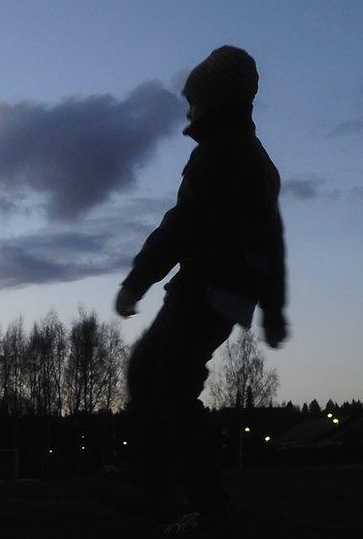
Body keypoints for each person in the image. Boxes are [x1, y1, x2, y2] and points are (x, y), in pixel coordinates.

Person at [115, 45, 288, 533]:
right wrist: (272, 307)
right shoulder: (250, 157)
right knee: (153, 374)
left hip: (210, 286)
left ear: (214, 101)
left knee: (168, 383)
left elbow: (181, 226)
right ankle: (158, 490)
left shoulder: (221, 155)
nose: (187, 110)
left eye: (192, 100)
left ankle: (205, 505)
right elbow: (271, 240)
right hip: (221, 288)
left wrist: (136, 282)